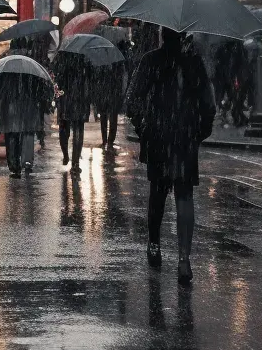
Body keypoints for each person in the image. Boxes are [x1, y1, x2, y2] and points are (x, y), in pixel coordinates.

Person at [128, 28, 216, 286]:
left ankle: (154, 243)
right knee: (184, 196)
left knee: (158, 192)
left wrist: (143, 127)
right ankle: (183, 259)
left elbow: (133, 100)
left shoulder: (150, 61)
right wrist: (199, 132)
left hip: (158, 136)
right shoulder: (193, 62)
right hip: (186, 138)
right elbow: (208, 104)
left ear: (161, 36)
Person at [0, 65, 51, 177]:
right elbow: (39, 92)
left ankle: (13, 165)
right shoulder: (31, 73)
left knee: (11, 136)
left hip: (9, 109)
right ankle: (22, 161)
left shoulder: (4, 73)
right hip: (26, 108)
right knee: (23, 135)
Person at [54, 52, 92, 174]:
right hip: (80, 102)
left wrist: (62, 95)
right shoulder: (86, 61)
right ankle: (75, 163)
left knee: (64, 130)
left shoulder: (63, 59)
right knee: (78, 132)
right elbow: (90, 83)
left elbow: (59, 84)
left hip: (66, 101)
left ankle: (66, 154)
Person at [92, 55, 127, 150]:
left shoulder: (112, 64)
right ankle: (107, 140)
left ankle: (108, 140)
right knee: (108, 117)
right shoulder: (114, 64)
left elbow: (119, 79)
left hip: (109, 94)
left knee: (109, 117)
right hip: (108, 94)